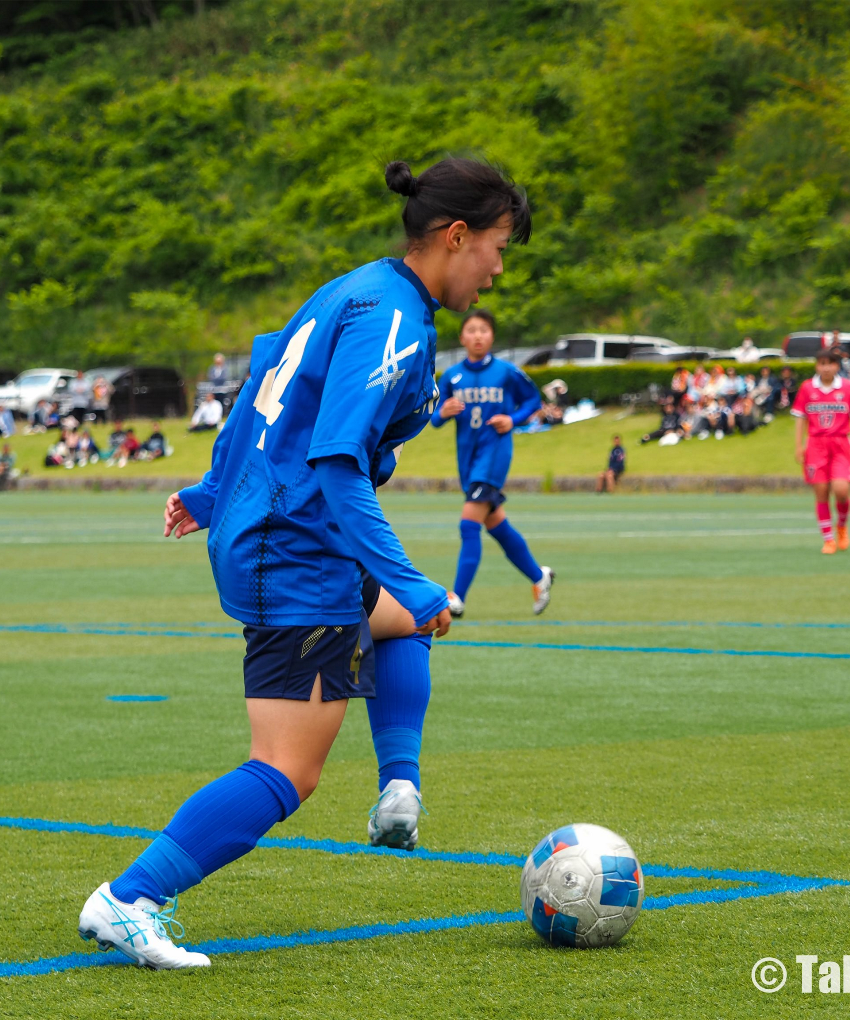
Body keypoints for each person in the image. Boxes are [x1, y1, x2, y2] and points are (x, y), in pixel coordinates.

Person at [78, 156, 530, 969]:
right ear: (456, 236)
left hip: (283, 527)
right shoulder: (392, 317)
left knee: (402, 627)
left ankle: (399, 791)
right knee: (288, 768)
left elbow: (264, 383)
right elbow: (334, 460)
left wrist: (217, 489)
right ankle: (130, 899)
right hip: (293, 545)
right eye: (497, 247)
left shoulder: (353, 290)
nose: (499, 269)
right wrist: (411, 577)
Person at [431, 308, 553, 619]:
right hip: (468, 462)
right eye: (471, 330)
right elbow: (433, 419)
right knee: (496, 525)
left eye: (483, 330)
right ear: (462, 337)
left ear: (492, 336)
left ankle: (457, 597)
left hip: (495, 455)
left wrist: (512, 419)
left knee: (468, 524)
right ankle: (539, 577)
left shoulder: (506, 372)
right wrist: (443, 412)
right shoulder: (451, 376)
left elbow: (533, 401)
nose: (477, 336)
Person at [793, 347, 850, 555]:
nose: (826, 368)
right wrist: (799, 446)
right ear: (817, 366)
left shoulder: (848, 388)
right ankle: (828, 539)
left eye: (830, 363)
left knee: (841, 490)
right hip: (816, 445)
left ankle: (842, 525)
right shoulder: (807, 388)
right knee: (821, 491)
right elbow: (800, 418)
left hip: (841, 444)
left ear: (836, 366)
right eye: (822, 364)